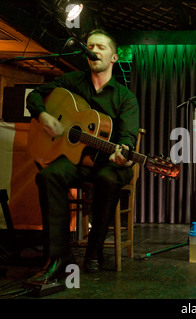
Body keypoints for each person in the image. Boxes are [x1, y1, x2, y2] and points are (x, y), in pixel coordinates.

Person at [26, 29, 140, 283]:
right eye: (90, 46)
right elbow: (35, 95)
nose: (94, 50)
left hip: (107, 162)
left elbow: (128, 137)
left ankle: (95, 251)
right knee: (48, 176)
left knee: (109, 180)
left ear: (114, 57)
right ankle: (57, 255)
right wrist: (43, 116)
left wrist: (123, 153)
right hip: (76, 159)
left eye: (101, 47)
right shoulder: (72, 81)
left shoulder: (125, 97)